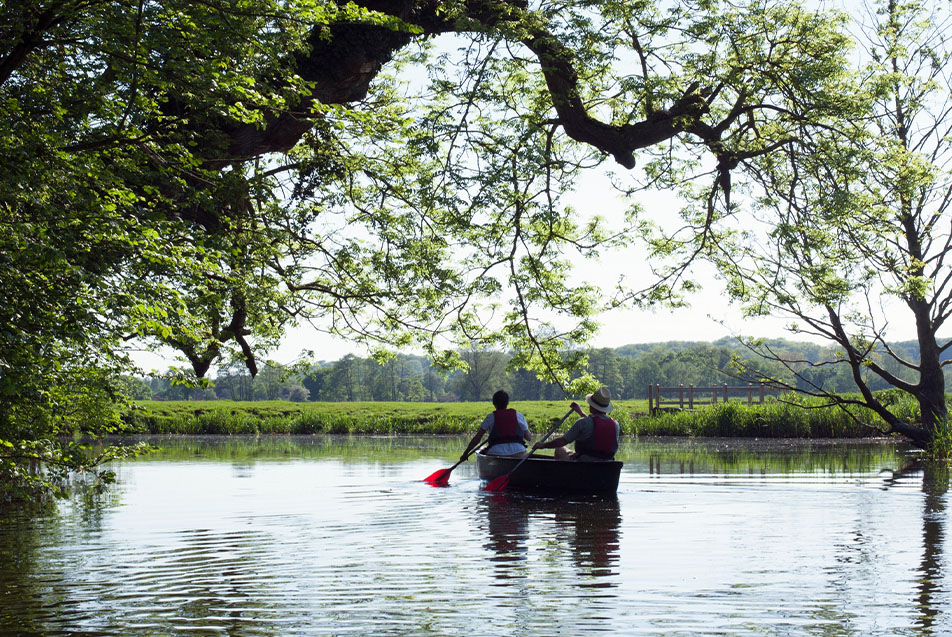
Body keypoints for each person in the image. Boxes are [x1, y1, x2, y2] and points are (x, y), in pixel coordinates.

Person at [533, 386, 619, 461]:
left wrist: (542, 445)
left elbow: (562, 442)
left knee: (559, 449)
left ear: (592, 406)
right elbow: (595, 426)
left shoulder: (582, 423)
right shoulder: (615, 425)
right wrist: (580, 412)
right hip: (607, 465)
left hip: (584, 464)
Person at [460, 390, 532, 460]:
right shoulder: (518, 415)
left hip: (497, 453)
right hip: (518, 452)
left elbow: (477, 439)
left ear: (494, 403)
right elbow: (529, 438)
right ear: (507, 402)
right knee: (523, 453)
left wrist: (465, 453)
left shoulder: (490, 417)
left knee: (482, 449)